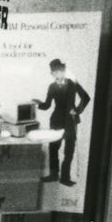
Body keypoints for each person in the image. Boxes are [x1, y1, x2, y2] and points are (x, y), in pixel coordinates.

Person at [36, 57, 90, 186]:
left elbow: (86, 98)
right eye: (53, 72)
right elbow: (47, 105)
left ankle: (64, 178)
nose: (55, 74)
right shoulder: (52, 86)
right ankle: (54, 175)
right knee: (54, 148)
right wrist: (38, 104)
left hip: (70, 121)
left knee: (69, 150)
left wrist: (77, 110)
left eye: (57, 71)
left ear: (63, 70)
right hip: (56, 120)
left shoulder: (72, 83)